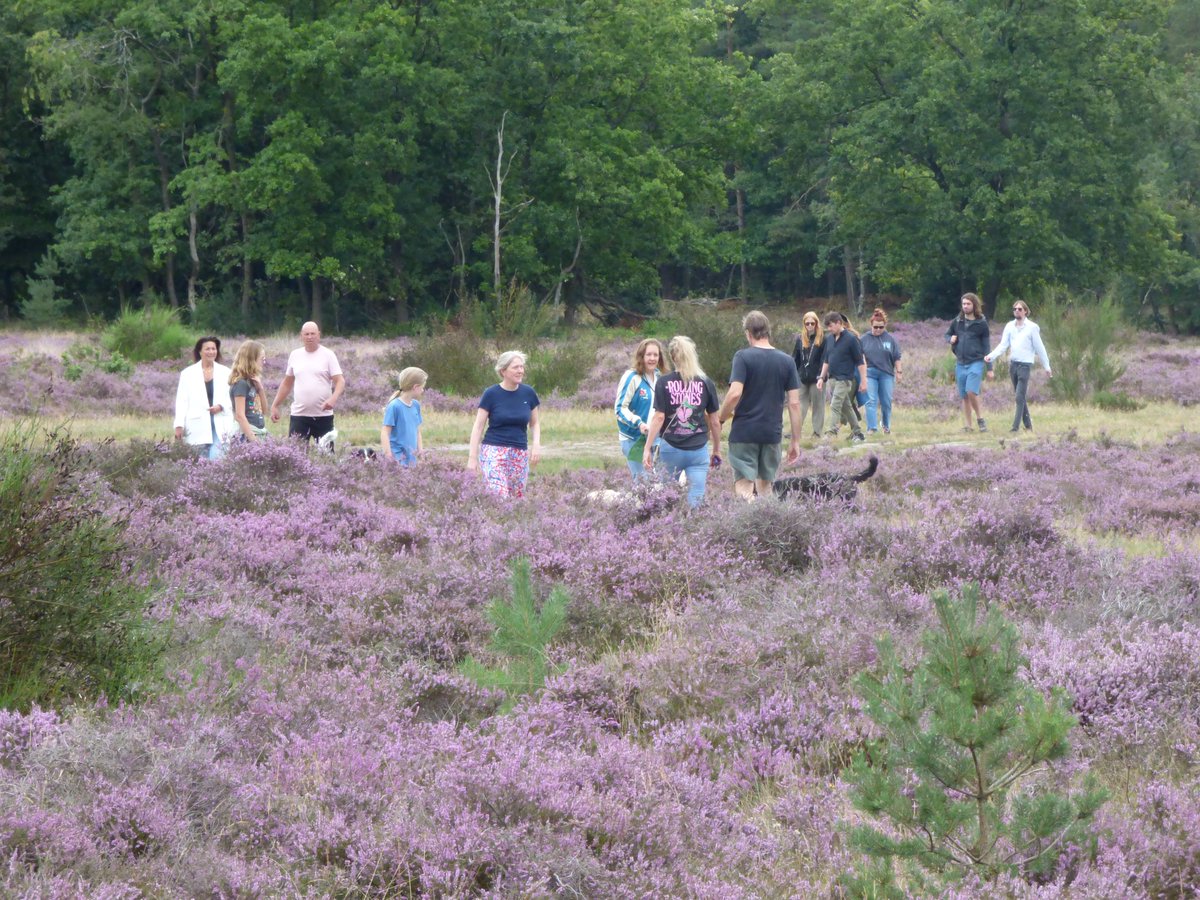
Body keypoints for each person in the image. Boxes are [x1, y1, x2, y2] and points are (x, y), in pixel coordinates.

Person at [718, 310, 802, 499]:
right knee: (765, 488)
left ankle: (750, 521)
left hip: (744, 432)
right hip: (772, 433)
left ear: (748, 333)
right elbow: (795, 404)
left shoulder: (742, 357)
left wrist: (721, 418)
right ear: (768, 332)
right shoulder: (787, 361)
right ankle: (766, 524)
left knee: (744, 487)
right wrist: (795, 440)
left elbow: (734, 394)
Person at [643, 335, 721, 508]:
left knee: (666, 498)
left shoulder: (663, 382)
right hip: (698, 450)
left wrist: (647, 448)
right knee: (697, 496)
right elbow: (715, 421)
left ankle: (666, 529)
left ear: (672, 357)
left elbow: (659, 417)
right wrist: (716, 449)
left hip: (670, 448)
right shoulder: (706, 382)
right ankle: (694, 528)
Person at [467, 351, 541, 498]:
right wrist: (472, 458)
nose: (520, 371)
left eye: (522, 367)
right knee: (499, 495)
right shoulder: (491, 393)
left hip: (519, 452)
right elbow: (478, 426)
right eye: (515, 367)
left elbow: (535, 423)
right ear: (503, 371)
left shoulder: (529, 393)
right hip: (494, 451)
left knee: (516, 499)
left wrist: (536, 445)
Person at [269, 321, 345, 447]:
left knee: (326, 456)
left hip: (323, 416)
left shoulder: (328, 355)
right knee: (296, 455)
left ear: (319, 335)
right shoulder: (295, 355)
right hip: (299, 416)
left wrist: (333, 399)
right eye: (307, 334)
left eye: (313, 334)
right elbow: (287, 383)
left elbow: (340, 381)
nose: (310, 337)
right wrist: (275, 405)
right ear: (301, 336)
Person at [985, 300, 1052, 432]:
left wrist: (1047, 366)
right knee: (1019, 395)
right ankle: (1028, 425)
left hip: (1025, 365)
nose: (1017, 310)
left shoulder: (1032, 327)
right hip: (1013, 364)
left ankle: (1015, 427)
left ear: (1025, 311)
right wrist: (991, 356)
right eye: (1015, 309)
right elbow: (1003, 345)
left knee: (1018, 396)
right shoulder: (1010, 326)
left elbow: (1040, 348)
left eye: (1020, 309)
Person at [174, 336, 235, 459]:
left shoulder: (226, 372)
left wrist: (221, 406)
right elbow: (181, 401)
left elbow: (231, 396)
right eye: (207, 349)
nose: (211, 352)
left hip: (220, 422)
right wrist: (179, 425)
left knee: (217, 457)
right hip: (197, 424)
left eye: (214, 349)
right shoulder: (187, 374)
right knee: (199, 461)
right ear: (200, 351)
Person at [614, 338, 667, 480]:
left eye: (655, 355)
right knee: (643, 483)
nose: (652, 358)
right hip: (634, 439)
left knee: (662, 482)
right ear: (641, 356)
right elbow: (620, 409)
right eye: (648, 355)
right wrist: (638, 423)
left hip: (656, 438)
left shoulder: (660, 377)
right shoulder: (631, 377)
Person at [944, 293, 994, 432]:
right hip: (960, 363)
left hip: (976, 362)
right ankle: (968, 426)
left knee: (971, 391)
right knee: (964, 396)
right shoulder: (957, 321)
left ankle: (980, 419)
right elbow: (947, 334)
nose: (965, 306)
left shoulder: (981, 323)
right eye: (964, 304)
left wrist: (989, 368)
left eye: (968, 304)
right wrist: (950, 339)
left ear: (974, 305)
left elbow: (986, 347)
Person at [816, 312, 867, 444]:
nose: (829, 329)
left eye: (831, 326)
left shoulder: (851, 339)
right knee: (847, 407)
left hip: (845, 379)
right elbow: (827, 360)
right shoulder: (829, 339)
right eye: (827, 327)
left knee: (835, 404)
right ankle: (858, 432)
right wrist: (821, 378)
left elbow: (860, 362)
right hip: (832, 378)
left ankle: (831, 432)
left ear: (839, 323)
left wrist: (864, 381)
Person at [860, 308, 903, 434]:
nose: (878, 330)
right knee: (870, 400)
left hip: (886, 374)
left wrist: (899, 372)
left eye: (881, 327)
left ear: (885, 326)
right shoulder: (863, 339)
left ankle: (886, 425)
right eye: (875, 327)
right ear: (871, 325)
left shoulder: (890, 339)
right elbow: (859, 358)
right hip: (870, 373)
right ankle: (872, 428)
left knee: (886, 402)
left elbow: (897, 357)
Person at [381, 367, 428, 465]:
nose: (423, 390)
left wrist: (421, 453)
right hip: (397, 458)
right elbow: (385, 432)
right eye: (422, 387)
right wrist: (389, 456)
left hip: (411, 458)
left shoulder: (416, 405)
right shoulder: (394, 406)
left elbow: (417, 431)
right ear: (415, 387)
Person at [791, 311, 825, 438]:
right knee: (800, 405)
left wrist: (821, 375)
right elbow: (795, 358)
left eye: (812, 323)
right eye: (807, 323)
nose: (810, 326)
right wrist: (792, 374)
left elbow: (825, 359)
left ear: (816, 323)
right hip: (803, 377)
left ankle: (817, 432)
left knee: (818, 405)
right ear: (804, 324)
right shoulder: (800, 339)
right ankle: (795, 431)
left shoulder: (822, 339)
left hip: (817, 378)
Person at [228, 340, 269, 442]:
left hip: (258, 432)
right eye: (261, 359)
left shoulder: (253, 382)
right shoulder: (241, 383)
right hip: (246, 436)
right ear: (251, 360)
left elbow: (264, 411)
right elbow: (240, 415)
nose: (264, 362)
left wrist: (260, 389)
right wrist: (253, 439)